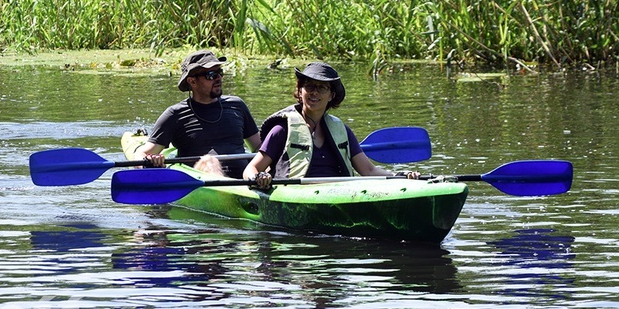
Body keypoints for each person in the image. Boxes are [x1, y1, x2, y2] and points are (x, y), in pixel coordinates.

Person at [243, 62, 420, 189]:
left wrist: (399, 177)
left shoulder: (342, 131)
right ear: (300, 91)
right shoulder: (282, 130)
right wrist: (258, 177)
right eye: (309, 86)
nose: (314, 92)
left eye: (322, 88)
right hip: (296, 195)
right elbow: (250, 168)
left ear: (331, 96)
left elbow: (369, 170)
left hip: (339, 194)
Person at [133, 50, 261, 178]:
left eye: (220, 73)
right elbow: (141, 154)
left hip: (244, 181)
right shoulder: (175, 115)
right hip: (200, 183)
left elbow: (259, 148)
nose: (218, 78)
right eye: (211, 75)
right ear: (192, 81)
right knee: (209, 161)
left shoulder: (237, 105)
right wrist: (150, 163)